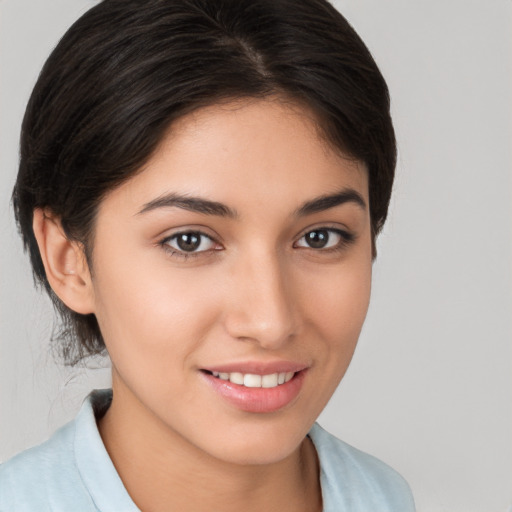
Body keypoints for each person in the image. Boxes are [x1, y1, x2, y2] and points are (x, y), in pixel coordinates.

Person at [0, 0, 415, 510]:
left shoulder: (386, 498)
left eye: (320, 237)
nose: (270, 321)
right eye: (189, 240)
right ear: (69, 259)